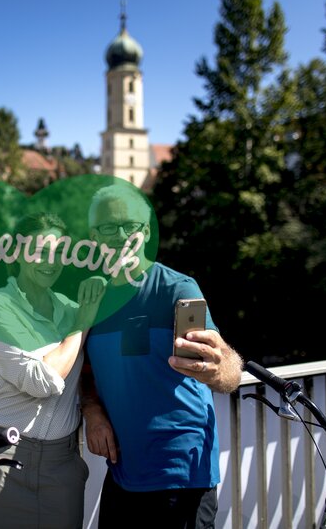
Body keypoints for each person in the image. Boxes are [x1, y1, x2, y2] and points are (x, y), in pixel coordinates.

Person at [79, 184, 243, 529]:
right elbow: (88, 373)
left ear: (147, 231)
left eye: (131, 226)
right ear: (94, 236)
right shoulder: (94, 299)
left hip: (181, 473)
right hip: (123, 472)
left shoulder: (177, 289)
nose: (121, 236)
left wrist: (217, 367)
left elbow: (229, 372)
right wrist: (92, 412)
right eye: (109, 227)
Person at [0, 212, 105, 529]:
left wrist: (92, 408)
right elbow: (43, 381)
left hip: (61, 466)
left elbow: (95, 367)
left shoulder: (70, 307)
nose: (49, 261)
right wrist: (82, 324)